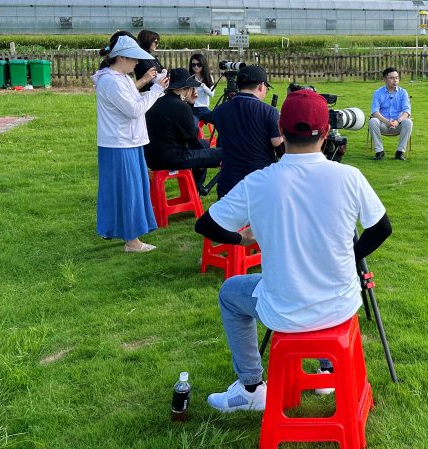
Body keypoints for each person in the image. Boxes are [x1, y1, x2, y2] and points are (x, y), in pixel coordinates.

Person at [195, 89, 392, 412]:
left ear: (281, 131)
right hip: (340, 303)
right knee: (277, 291)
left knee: (231, 292)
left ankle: (250, 387)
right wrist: (349, 257)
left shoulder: (259, 182)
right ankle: (328, 368)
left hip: (285, 309)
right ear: (326, 132)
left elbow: (207, 225)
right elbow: (381, 228)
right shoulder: (349, 176)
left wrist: (241, 240)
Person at [91, 32, 169, 253]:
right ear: (121, 58)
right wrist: (156, 89)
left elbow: (134, 101)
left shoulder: (121, 79)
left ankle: (125, 234)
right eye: (133, 59)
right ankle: (132, 241)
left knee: (130, 189)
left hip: (127, 141)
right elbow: (134, 110)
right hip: (119, 143)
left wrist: (152, 85)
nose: (136, 63)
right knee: (128, 191)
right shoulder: (110, 81)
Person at [144, 68, 224, 195]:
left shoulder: (157, 102)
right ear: (186, 88)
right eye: (192, 88)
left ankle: (195, 187)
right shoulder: (181, 107)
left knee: (203, 145)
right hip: (172, 158)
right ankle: (197, 188)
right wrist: (207, 157)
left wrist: (190, 104)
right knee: (219, 152)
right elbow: (192, 140)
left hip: (151, 157)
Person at [210, 65, 284, 198]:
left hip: (228, 184)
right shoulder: (269, 112)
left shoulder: (220, 110)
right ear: (261, 86)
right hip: (259, 183)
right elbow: (278, 144)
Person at [368, 67, 412, 160]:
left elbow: (407, 111)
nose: (395, 80)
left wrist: (398, 121)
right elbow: (374, 112)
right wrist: (387, 122)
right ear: (384, 80)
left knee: (408, 122)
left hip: (398, 124)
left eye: (397, 78)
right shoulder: (377, 93)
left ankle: (400, 153)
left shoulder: (403, 92)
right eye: (392, 78)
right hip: (383, 124)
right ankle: (379, 152)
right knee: (373, 121)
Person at [188, 52, 215, 123]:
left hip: (204, 109)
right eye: (193, 65)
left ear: (203, 65)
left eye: (199, 64)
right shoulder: (189, 78)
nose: (196, 67)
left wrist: (203, 85)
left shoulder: (209, 78)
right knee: (193, 127)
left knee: (219, 121)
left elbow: (211, 94)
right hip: (192, 109)